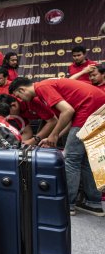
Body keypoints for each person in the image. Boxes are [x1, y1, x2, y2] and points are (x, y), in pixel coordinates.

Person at [9, 77, 105, 216]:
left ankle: (67, 204)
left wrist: (54, 134)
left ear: (22, 89)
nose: (22, 100)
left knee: (71, 159)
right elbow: (69, 119)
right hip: (96, 111)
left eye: (19, 96)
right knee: (84, 159)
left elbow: (67, 111)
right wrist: (54, 136)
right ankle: (93, 203)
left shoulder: (41, 87)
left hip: (90, 111)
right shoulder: (45, 88)